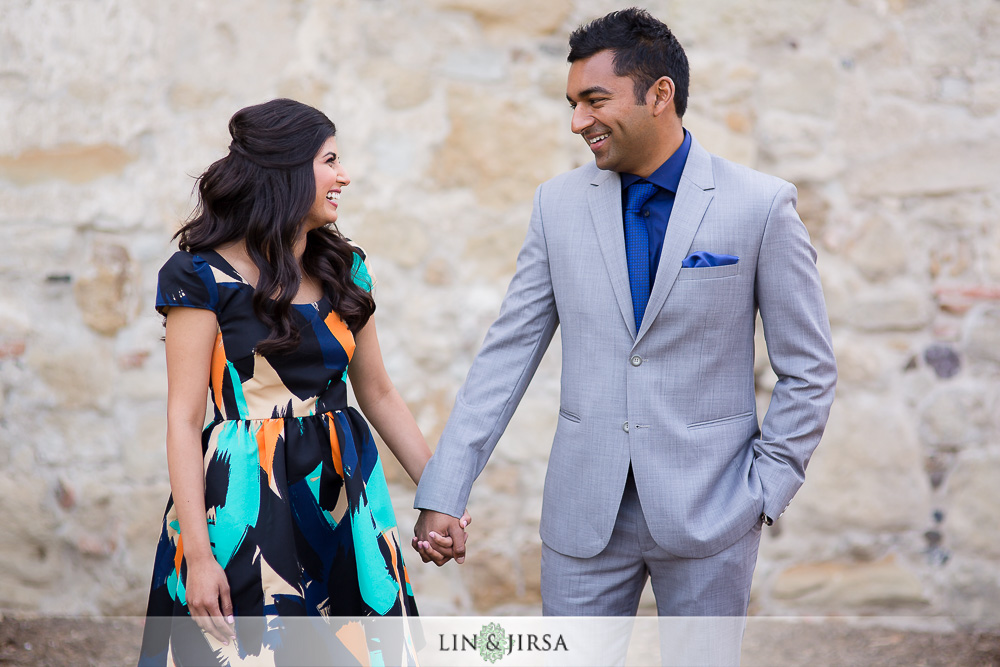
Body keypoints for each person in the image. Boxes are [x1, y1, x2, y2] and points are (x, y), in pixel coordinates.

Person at [413, 7, 836, 623]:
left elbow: (809, 370)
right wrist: (445, 490)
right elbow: (505, 357)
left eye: (594, 100)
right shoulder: (556, 206)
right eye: (572, 104)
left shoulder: (760, 206)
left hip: (713, 513)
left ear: (659, 94)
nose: (579, 121)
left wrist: (765, 493)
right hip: (583, 517)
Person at [138, 98, 465, 666]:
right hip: (242, 500)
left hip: (344, 494)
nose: (344, 176)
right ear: (287, 171)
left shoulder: (344, 268)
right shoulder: (199, 276)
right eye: (330, 160)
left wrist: (441, 498)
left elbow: (380, 393)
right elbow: (184, 420)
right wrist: (198, 553)